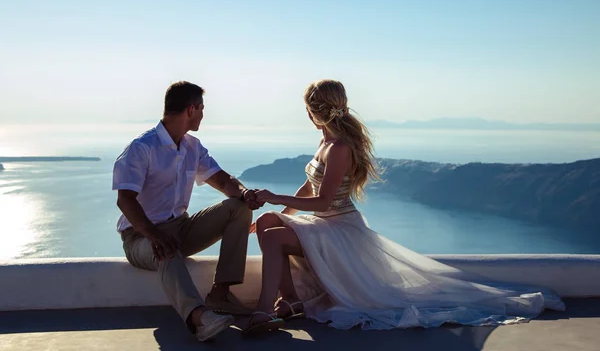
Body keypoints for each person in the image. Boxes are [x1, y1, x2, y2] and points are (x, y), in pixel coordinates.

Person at [246, 79, 565, 335]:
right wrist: (277, 211)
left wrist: (275, 197)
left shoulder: (340, 148)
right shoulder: (325, 142)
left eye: (307, 109)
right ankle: (289, 302)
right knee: (267, 223)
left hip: (341, 229)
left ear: (315, 111)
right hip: (325, 227)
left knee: (273, 236)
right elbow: (308, 188)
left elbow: (324, 202)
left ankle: (265, 310)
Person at [113, 81, 262, 342]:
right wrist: (153, 234)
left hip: (181, 228)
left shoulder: (193, 147)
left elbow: (224, 181)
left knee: (237, 208)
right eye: (202, 109)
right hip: (140, 237)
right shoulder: (141, 148)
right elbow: (125, 200)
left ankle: (220, 294)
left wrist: (245, 192)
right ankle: (199, 318)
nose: (204, 115)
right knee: (165, 248)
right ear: (191, 110)